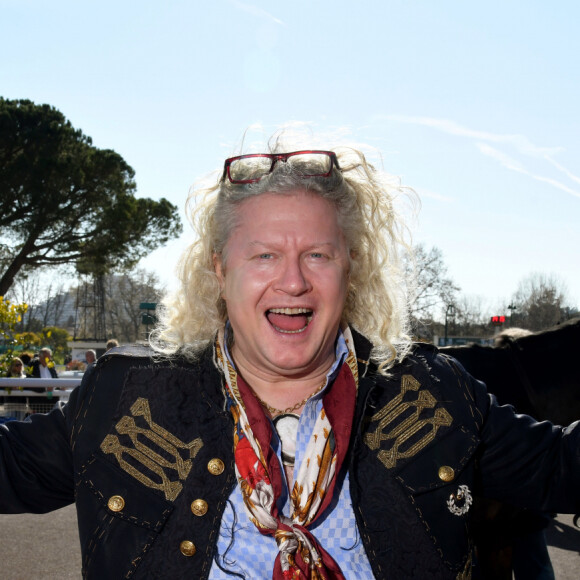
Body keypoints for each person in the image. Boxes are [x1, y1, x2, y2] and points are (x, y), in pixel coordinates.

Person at [0, 137, 579, 580]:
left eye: (318, 255)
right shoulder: (123, 400)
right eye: (265, 255)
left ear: (350, 271)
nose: (294, 281)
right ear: (219, 273)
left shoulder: (434, 395)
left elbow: (562, 469)